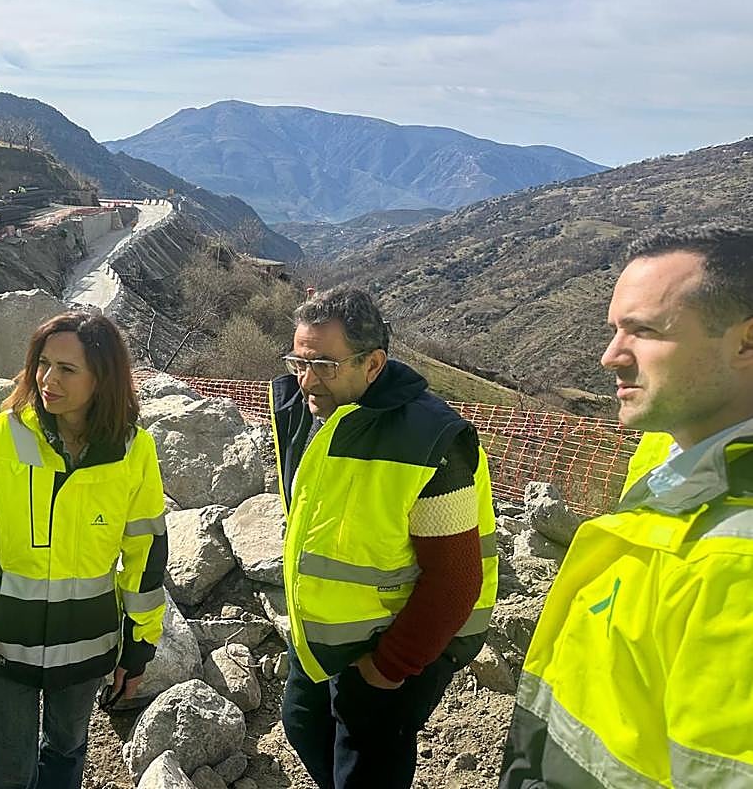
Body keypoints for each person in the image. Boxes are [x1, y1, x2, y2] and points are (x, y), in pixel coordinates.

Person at [500, 226, 753, 788]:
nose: (610, 356)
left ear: (746, 342)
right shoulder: (668, 461)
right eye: (615, 329)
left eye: (643, 331)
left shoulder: (738, 563)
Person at [272, 286, 498, 789]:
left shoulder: (431, 441)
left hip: (402, 642)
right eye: (297, 361)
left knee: (369, 758)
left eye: (324, 365)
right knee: (303, 722)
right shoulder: (304, 412)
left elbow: (456, 580)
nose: (306, 380)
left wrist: (385, 669)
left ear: (373, 365)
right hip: (328, 635)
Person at [0, 311, 167, 789]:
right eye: (43, 363)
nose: (47, 379)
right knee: (8, 771)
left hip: (87, 644)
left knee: (65, 754)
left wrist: (139, 645)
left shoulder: (133, 450)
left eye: (67, 369)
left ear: (102, 377)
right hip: (5, 640)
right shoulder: (2, 436)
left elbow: (146, 554)